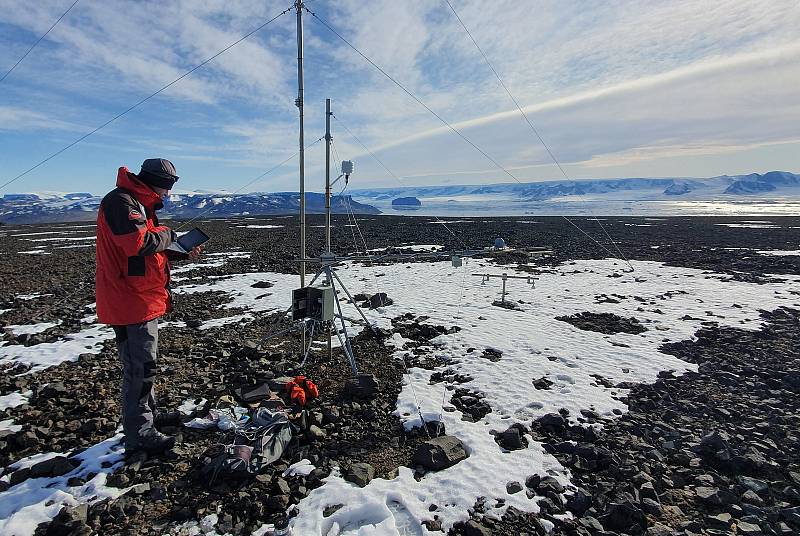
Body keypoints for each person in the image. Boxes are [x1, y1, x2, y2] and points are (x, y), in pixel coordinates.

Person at [95, 158, 202, 454]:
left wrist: (180, 253)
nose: (168, 195)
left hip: (141, 297)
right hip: (130, 300)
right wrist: (169, 234)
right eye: (167, 188)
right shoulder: (121, 202)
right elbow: (139, 244)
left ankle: (148, 418)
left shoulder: (139, 203)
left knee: (144, 364)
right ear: (158, 183)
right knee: (140, 368)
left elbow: (145, 254)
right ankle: (139, 432)